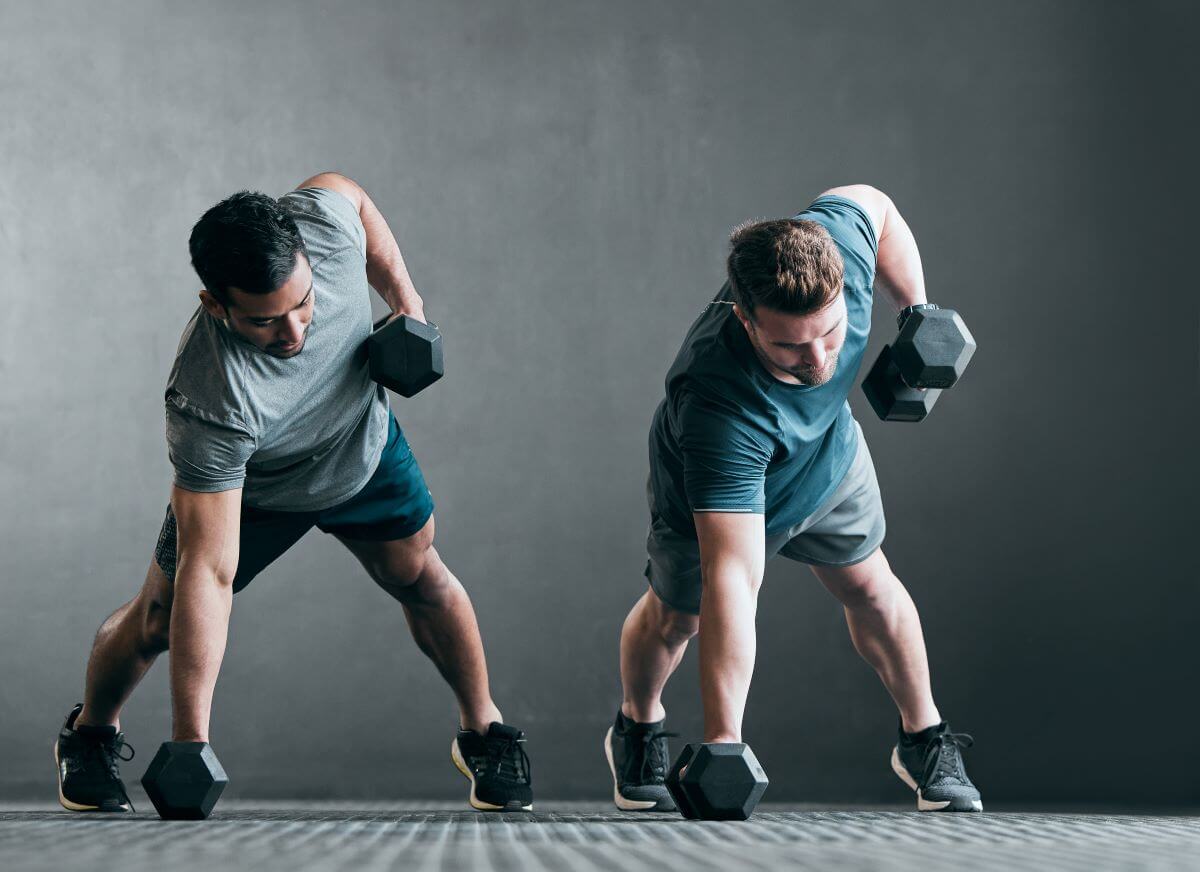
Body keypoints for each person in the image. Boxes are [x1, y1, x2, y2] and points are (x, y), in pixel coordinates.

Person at [54, 173, 532, 813]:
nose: (294, 333)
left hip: (359, 446)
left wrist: (408, 305)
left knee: (421, 574)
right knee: (159, 618)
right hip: (257, 490)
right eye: (264, 321)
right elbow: (211, 569)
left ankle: (483, 731)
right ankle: (90, 735)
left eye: (304, 304)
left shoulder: (327, 230)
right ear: (217, 304)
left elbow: (350, 194)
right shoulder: (207, 397)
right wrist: (190, 743)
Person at [604, 186, 981, 813]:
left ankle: (924, 739)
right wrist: (724, 744)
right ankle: (637, 728)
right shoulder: (716, 401)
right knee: (680, 617)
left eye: (830, 334)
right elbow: (734, 574)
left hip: (828, 459)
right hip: (715, 485)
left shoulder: (837, 248)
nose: (819, 359)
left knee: (871, 585)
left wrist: (917, 311)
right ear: (744, 318)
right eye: (790, 347)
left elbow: (876, 205)